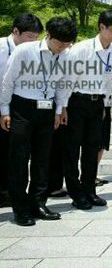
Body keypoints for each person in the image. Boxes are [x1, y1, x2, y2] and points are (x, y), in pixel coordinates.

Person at [0, 17, 77, 226]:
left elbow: (64, 85)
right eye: (60, 43)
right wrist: (4, 110)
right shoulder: (25, 50)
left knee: (43, 159)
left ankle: (38, 203)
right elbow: (8, 81)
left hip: (47, 109)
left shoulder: (67, 56)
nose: (63, 48)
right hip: (22, 107)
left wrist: (59, 110)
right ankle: (20, 208)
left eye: (67, 44)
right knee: (19, 160)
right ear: (48, 36)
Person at [63, 10, 112, 210]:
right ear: (101, 27)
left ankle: (89, 189)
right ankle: (76, 192)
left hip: (98, 103)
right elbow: (66, 80)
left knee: (93, 149)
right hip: (76, 101)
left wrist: (105, 105)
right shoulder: (81, 49)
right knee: (73, 150)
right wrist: (62, 107)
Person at [0, 13, 44, 208]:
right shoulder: (1, 48)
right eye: (29, 36)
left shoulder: (34, 51)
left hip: (18, 106)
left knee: (14, 153)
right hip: (3, 104)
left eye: (36, 37)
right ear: (15, 31)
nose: (33, 41)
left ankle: (11, 192)